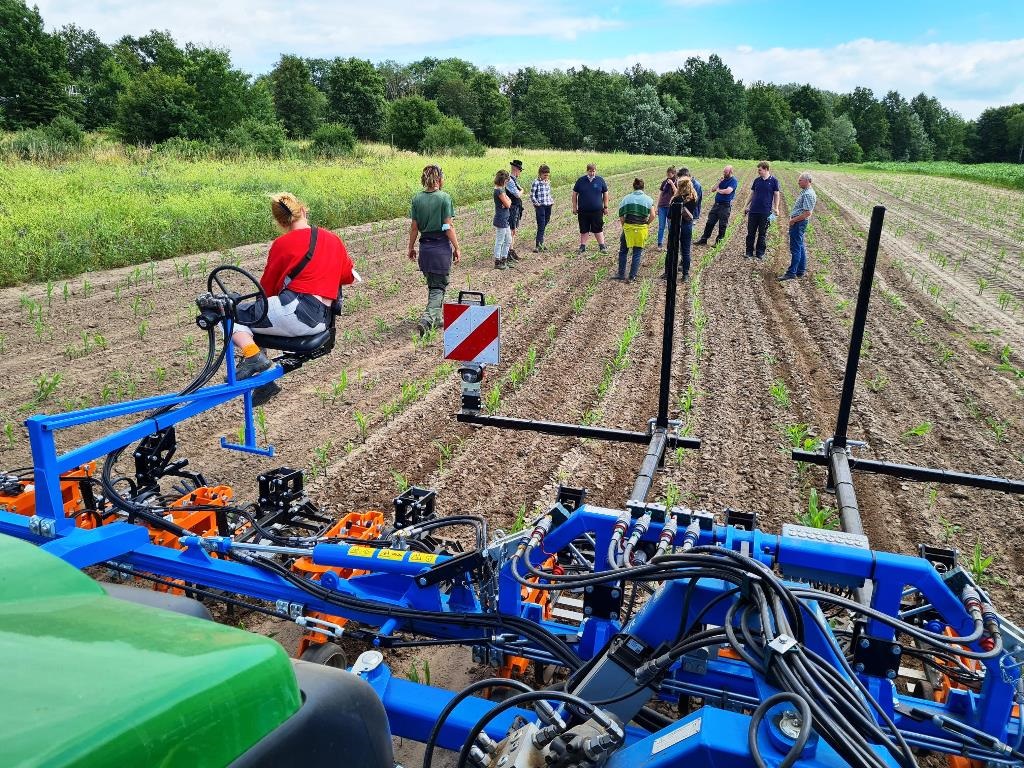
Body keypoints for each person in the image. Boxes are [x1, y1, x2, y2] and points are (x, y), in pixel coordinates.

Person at [232, 192, 355, 401]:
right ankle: (265, 381)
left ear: (280, 222)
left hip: (296, 311)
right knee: (254, 318)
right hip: (320, 320)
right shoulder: (333, 239)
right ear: (303, 210)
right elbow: (348, 276)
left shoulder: (282, 244)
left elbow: (267, 290)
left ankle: (253, 357)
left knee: (228, 315)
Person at [408, 164, 461, 335]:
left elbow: (414, 227)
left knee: (433, 284)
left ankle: (437, 318)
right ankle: (428, 319)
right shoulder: (444, 198)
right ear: (439, 179)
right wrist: (457, 247)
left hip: (425, 249)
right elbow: (448, 226)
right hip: (440, 248)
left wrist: (410, 247)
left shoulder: (417, 199)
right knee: (439, 287)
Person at [779, 171, 817, 281]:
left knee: (795, 248)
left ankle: (792, 272)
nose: (798, 182)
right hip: (798, 222)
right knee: (800, 246)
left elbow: (807, 213)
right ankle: (800, 270)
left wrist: (793, 220)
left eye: (800, 180)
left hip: (798, 223)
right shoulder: (805, 192)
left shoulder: (808, 194)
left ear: (807, 181)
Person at [616, 178, 655, 282]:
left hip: (628, 228)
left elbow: (621, 215)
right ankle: (632, 276)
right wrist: (647, 223)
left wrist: (624, 225)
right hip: (641, 228)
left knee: (623, 251)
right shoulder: (649, 199)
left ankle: (621, 274)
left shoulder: (626, 198)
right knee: (637, 252)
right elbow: (653, 215)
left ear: (633, 186)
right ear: (643, 187)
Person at [743, 161, 780, 260]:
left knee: (762, 233)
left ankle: (760, 253)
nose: (758, 172)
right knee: (751, 232)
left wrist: (776, 207)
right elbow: (752, 194)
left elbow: (776, 195)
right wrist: (746, 205)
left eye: (760, 170)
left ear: (766, 169)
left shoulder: (774, 181)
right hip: (753, 211)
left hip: (765, 212)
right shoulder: (757, 180)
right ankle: (749, 252)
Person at [695, 165, 737, 246]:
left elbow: (728, 191)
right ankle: (704, 239)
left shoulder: (733, 181)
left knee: (722, 224)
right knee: (710, 222)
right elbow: (713, 189)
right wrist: (719, 182)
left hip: (725, 206)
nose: (724, 173)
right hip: (716, 205)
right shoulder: (722, 179)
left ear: (730, 172)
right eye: (723, 171)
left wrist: (718, 190)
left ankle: (718, 242)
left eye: (726, 172)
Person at [572, 163, 609, 253]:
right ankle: (582, 246)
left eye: (593, 171)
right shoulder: (581, 180)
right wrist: (574, 207)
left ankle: (602, 246)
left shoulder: (600, 180)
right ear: (587, 171)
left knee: (598, 228)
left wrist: (606, 206)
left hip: (597, 210)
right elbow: (574, 194)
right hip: (583, 210)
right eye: (590, 171)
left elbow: (605, 193)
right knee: (584, 228)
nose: (592, 173)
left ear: (595, 171)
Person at [672, 177, 699, 282]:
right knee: (686, 251)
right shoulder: (694, 198)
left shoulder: (677, 199)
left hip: (676, 225)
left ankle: (670, 272)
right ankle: (686, 274)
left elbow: (670, 215)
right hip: (687, 225)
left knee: (673, 250)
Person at [530, 164, 554, 252]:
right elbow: (532, 195)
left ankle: (541, 243)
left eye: (547, 175)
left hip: (548, 205)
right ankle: (538, 245)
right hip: (540, 206)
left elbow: (548, 193)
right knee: (541, 225)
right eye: (545, 175)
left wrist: (551, 201)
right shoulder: (536, 182)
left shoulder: (548, 182)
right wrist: (537, 204)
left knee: (545, 223)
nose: (546, 177)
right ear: (540, 174)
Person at [493, 170, 513, 270]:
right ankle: (498, 261)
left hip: (505, 218)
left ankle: (504, 259)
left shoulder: (501, 190)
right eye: (506, 180)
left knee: (508, 240)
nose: (507, 182)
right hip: (501, 218)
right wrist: (507, 201)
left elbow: (508, 202)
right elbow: (508, 204)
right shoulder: (499, 191)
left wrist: (507, 201)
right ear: (503, 180)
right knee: (500, 241)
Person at [506, 159, 525, 260]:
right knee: (511, 230)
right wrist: (522, 190)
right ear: (516, 169)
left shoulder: (513, 180)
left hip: (515, 207)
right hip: (512, 208)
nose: (520, 172)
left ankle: (511, 250)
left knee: (513, 230)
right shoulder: (510, 180)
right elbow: (517, 194)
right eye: (520, 170)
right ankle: (509, 252)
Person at [655, 166, 677, 249]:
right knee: (661, 226)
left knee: (670, 226)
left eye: (669, 174)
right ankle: (659, 243)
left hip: (670, 207)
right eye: (667, 174)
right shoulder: (664, 182)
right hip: (662, 206)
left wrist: (671, 184)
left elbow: (676, 192)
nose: (668, 176)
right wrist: (657, 206)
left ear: (674, 174)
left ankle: (670, 243)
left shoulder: (676, 182)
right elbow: (660, 194)